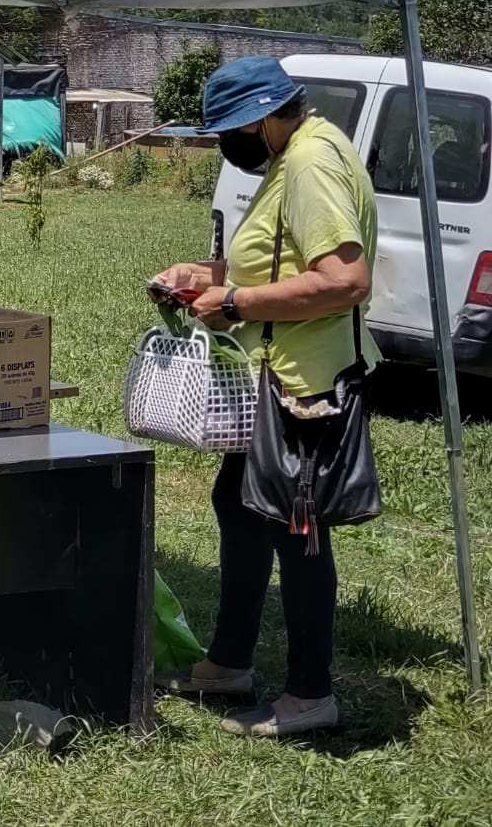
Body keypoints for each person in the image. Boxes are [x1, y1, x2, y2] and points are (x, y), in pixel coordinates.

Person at [154, 56, 379, 738]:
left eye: (227, 129)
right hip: (279, 375)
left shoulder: (309, 164)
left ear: (259, 117)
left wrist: (238, 301)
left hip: (305, 386)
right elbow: (280, 258)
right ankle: (229, 663)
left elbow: (345, 279)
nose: (227, 143)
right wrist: (205, 274)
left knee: (297, 533)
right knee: (240, 506)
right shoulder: (303, 151)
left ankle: (311, 692)